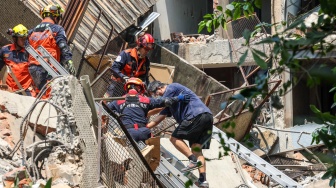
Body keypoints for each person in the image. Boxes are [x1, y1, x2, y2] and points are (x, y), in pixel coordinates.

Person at [146, 81, 213, 188]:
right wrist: (146, 127)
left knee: (174, 138)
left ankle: (192, 160)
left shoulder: (172, 87)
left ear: (159, 88)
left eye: (155, 93)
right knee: (196, 149)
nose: (156, 95)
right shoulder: (170, 102)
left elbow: (159, 105)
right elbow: (159, 117)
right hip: (207, 117)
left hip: (194, 115)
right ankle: (203, 181)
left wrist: (143, 110)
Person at [107, 77, 189, 143]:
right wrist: (179, 98)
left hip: (128, 133)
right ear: (139, 88)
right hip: (145, 132)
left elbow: (106, 108)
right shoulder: (145, 100)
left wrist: (117, 115)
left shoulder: (118, 100)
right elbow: (165, 101)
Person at [27, 3, 76, 96]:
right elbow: (62, 45)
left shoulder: (32, 31)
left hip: (32, 67)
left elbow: (26, 49)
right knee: (48, 95)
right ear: (55, 16)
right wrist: (69, 60)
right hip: (48, 68)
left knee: (37, 93)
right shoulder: (57, 29)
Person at [105, 33, 155, 98]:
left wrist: (148, 91)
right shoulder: (126, 54)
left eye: (149, 50)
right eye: (146, 49)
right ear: (140, 46)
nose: (147, 52)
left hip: (132, 89)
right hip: (118, 85)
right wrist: (123, 77)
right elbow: (114, 68)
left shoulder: (146, 61)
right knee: (107, 103)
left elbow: (145, 78)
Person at [0, 24, 35, 96]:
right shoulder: (5, 50)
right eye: (22, 39)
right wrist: (1, 84)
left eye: (26, 38)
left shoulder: (30, 53)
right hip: (7, 89)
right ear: (14, 39)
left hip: (24, 91)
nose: (24, 41)